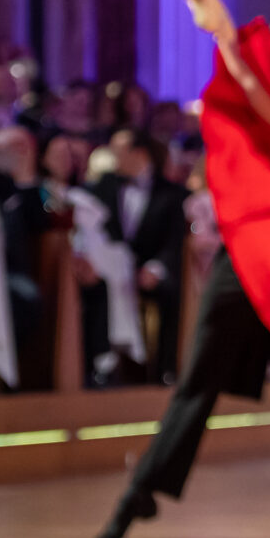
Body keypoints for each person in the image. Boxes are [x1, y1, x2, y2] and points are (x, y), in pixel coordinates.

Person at [99, 0, 270, 538]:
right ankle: (139, 494)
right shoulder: (261, 85)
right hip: (247, 256)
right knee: (199, 379)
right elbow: (245, 83)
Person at [87, 127, 188, 383]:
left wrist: (155, 269)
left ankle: (166, 370)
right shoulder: (105, 186)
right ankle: (103, 369)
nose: (113, 158)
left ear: (139, 154)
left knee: (174, 292)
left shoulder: (172, 194)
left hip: (150, 270)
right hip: (111, 270)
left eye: (118, 152)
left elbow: (174, 241)